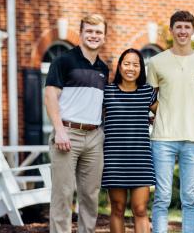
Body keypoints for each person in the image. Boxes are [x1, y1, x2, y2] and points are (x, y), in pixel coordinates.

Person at [147, 10, 194, 233]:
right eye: (179, 27)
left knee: (189, 197)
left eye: (187, 27)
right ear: (172, 30)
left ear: (193, 30)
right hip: (163, 138)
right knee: (162, 197)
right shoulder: (156, 62)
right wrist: (165, 110)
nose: (183, 31)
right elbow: (150, 98)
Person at [44, 14, 109, 233]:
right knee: (63, 194)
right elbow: (50, 96)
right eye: (89, 31)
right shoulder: (63, 61)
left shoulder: (103, 68)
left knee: (90, 196)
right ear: (81, 34)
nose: (94, 35)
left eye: (98, 32)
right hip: (67, 134)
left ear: (104, 37)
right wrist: (59, 130)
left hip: (94, 136)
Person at [102, 49, 158, 233]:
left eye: (136, 64)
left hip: (140, 159)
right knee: (117, 209)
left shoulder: (147, 92)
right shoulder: (107, 92)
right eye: (127, 63)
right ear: (119, 66)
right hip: (114, 159)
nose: (131, 68)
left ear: (141, 69)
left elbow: (165, 114)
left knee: (140, 209)